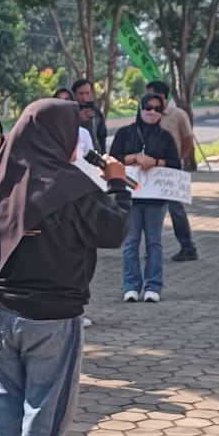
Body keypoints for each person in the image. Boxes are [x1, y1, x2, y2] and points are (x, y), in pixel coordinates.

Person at [0, 99, 132, 436]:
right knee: (44, 411)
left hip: (1, 311)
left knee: (1, 403)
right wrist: (117, 185)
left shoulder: (1, 180)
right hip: (54, 316)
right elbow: (114, 230)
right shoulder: (73, 187)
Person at [110, 94, 179, 302]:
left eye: (157, 109)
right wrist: (133, 158)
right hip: (129, 197)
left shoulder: (166, 137)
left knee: (154, 242)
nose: (152, 112)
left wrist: (156, 162)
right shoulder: (125, 133)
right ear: (140, 109)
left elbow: (176, 164)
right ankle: (131, 285)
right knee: (130, 243)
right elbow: (112, 159)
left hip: (156, 199)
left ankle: (153, 285)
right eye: (148, 107)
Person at [146, 81, 197, 262]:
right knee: (151, 211)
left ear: (162, 96)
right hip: (151, 169)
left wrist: (178, 159)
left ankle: (188, 247)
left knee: (176, 210)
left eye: (151, 95)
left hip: (171, 170)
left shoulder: (178, 115)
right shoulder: (148, 113)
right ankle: (152, 248)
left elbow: (187, 140)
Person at [71, 78, 109, 150]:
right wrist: (78, 119)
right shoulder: (70, 111)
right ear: (74, 94)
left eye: (87, 93)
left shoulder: (96, 112)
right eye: (81, 94)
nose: (84, 97)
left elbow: (102, 135)